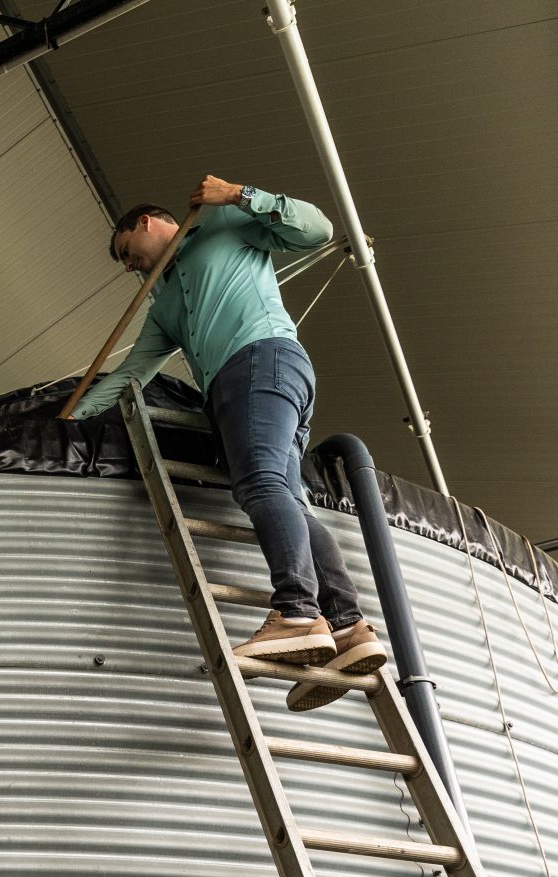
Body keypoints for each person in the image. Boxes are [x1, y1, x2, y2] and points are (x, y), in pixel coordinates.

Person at [69, 175, 387, 711]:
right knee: (289, 501)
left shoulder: (221, 225)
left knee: (260, 482)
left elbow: (317, 229)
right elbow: (132, 374)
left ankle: (296, 613)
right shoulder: (165, 304)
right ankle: (348, 627)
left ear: (145, 223)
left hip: (261, 361)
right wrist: (75, 415)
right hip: (246, 386)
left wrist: (241, 195)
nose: (129, 268)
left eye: (127, 252)